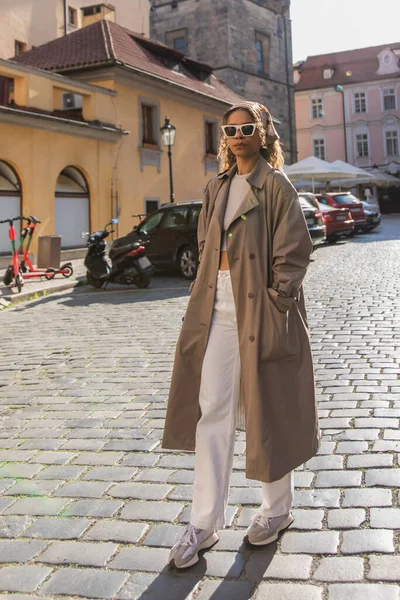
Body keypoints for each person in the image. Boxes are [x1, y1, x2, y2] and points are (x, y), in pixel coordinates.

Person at [162, 101, 319, 569]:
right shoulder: (217, 187)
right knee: (212, 411)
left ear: (264, 133)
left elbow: (294, 253)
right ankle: (204, 523)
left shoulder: (275, 186)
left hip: (261, 311)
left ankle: (277, 511)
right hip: (217, 311)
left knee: (266, 407)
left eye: (247, 127)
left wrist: (277, 301)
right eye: (230, 129)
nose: (238, 135)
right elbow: (206, 246)